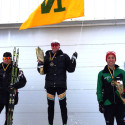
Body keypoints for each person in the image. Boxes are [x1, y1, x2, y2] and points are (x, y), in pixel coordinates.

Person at [37, 40, 77, 125]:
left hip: (60, 86)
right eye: (52, 45)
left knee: (63, 106)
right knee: (50, 107)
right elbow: (42, 72)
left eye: (56, 45)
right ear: (51, 46)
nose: (54, 46)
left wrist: (73, 58)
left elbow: (71, 69)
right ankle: (50, 123)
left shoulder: (64, 56)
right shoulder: (46, 57)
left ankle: (65, 123)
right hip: (50, 86)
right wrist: (39, 64)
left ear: (59, 46)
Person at [97, 51, 125, 125]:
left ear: (115, 59)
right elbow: (99, 89)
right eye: (109, 58)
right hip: (108, 103)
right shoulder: (102, 74)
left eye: (112, 58)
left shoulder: (121, 72)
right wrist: (100, 102)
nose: (111, 59)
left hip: (121, 104)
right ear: (106, 60)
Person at [0, 52, 27, 125]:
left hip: (10, 96)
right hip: (0, 96)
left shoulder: (16, 69)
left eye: (8, 58)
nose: (6, 60)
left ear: (11, 59)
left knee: (8, 118)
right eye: (5, 58)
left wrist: (15, 86)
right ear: (3, 59)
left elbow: (23, 81)